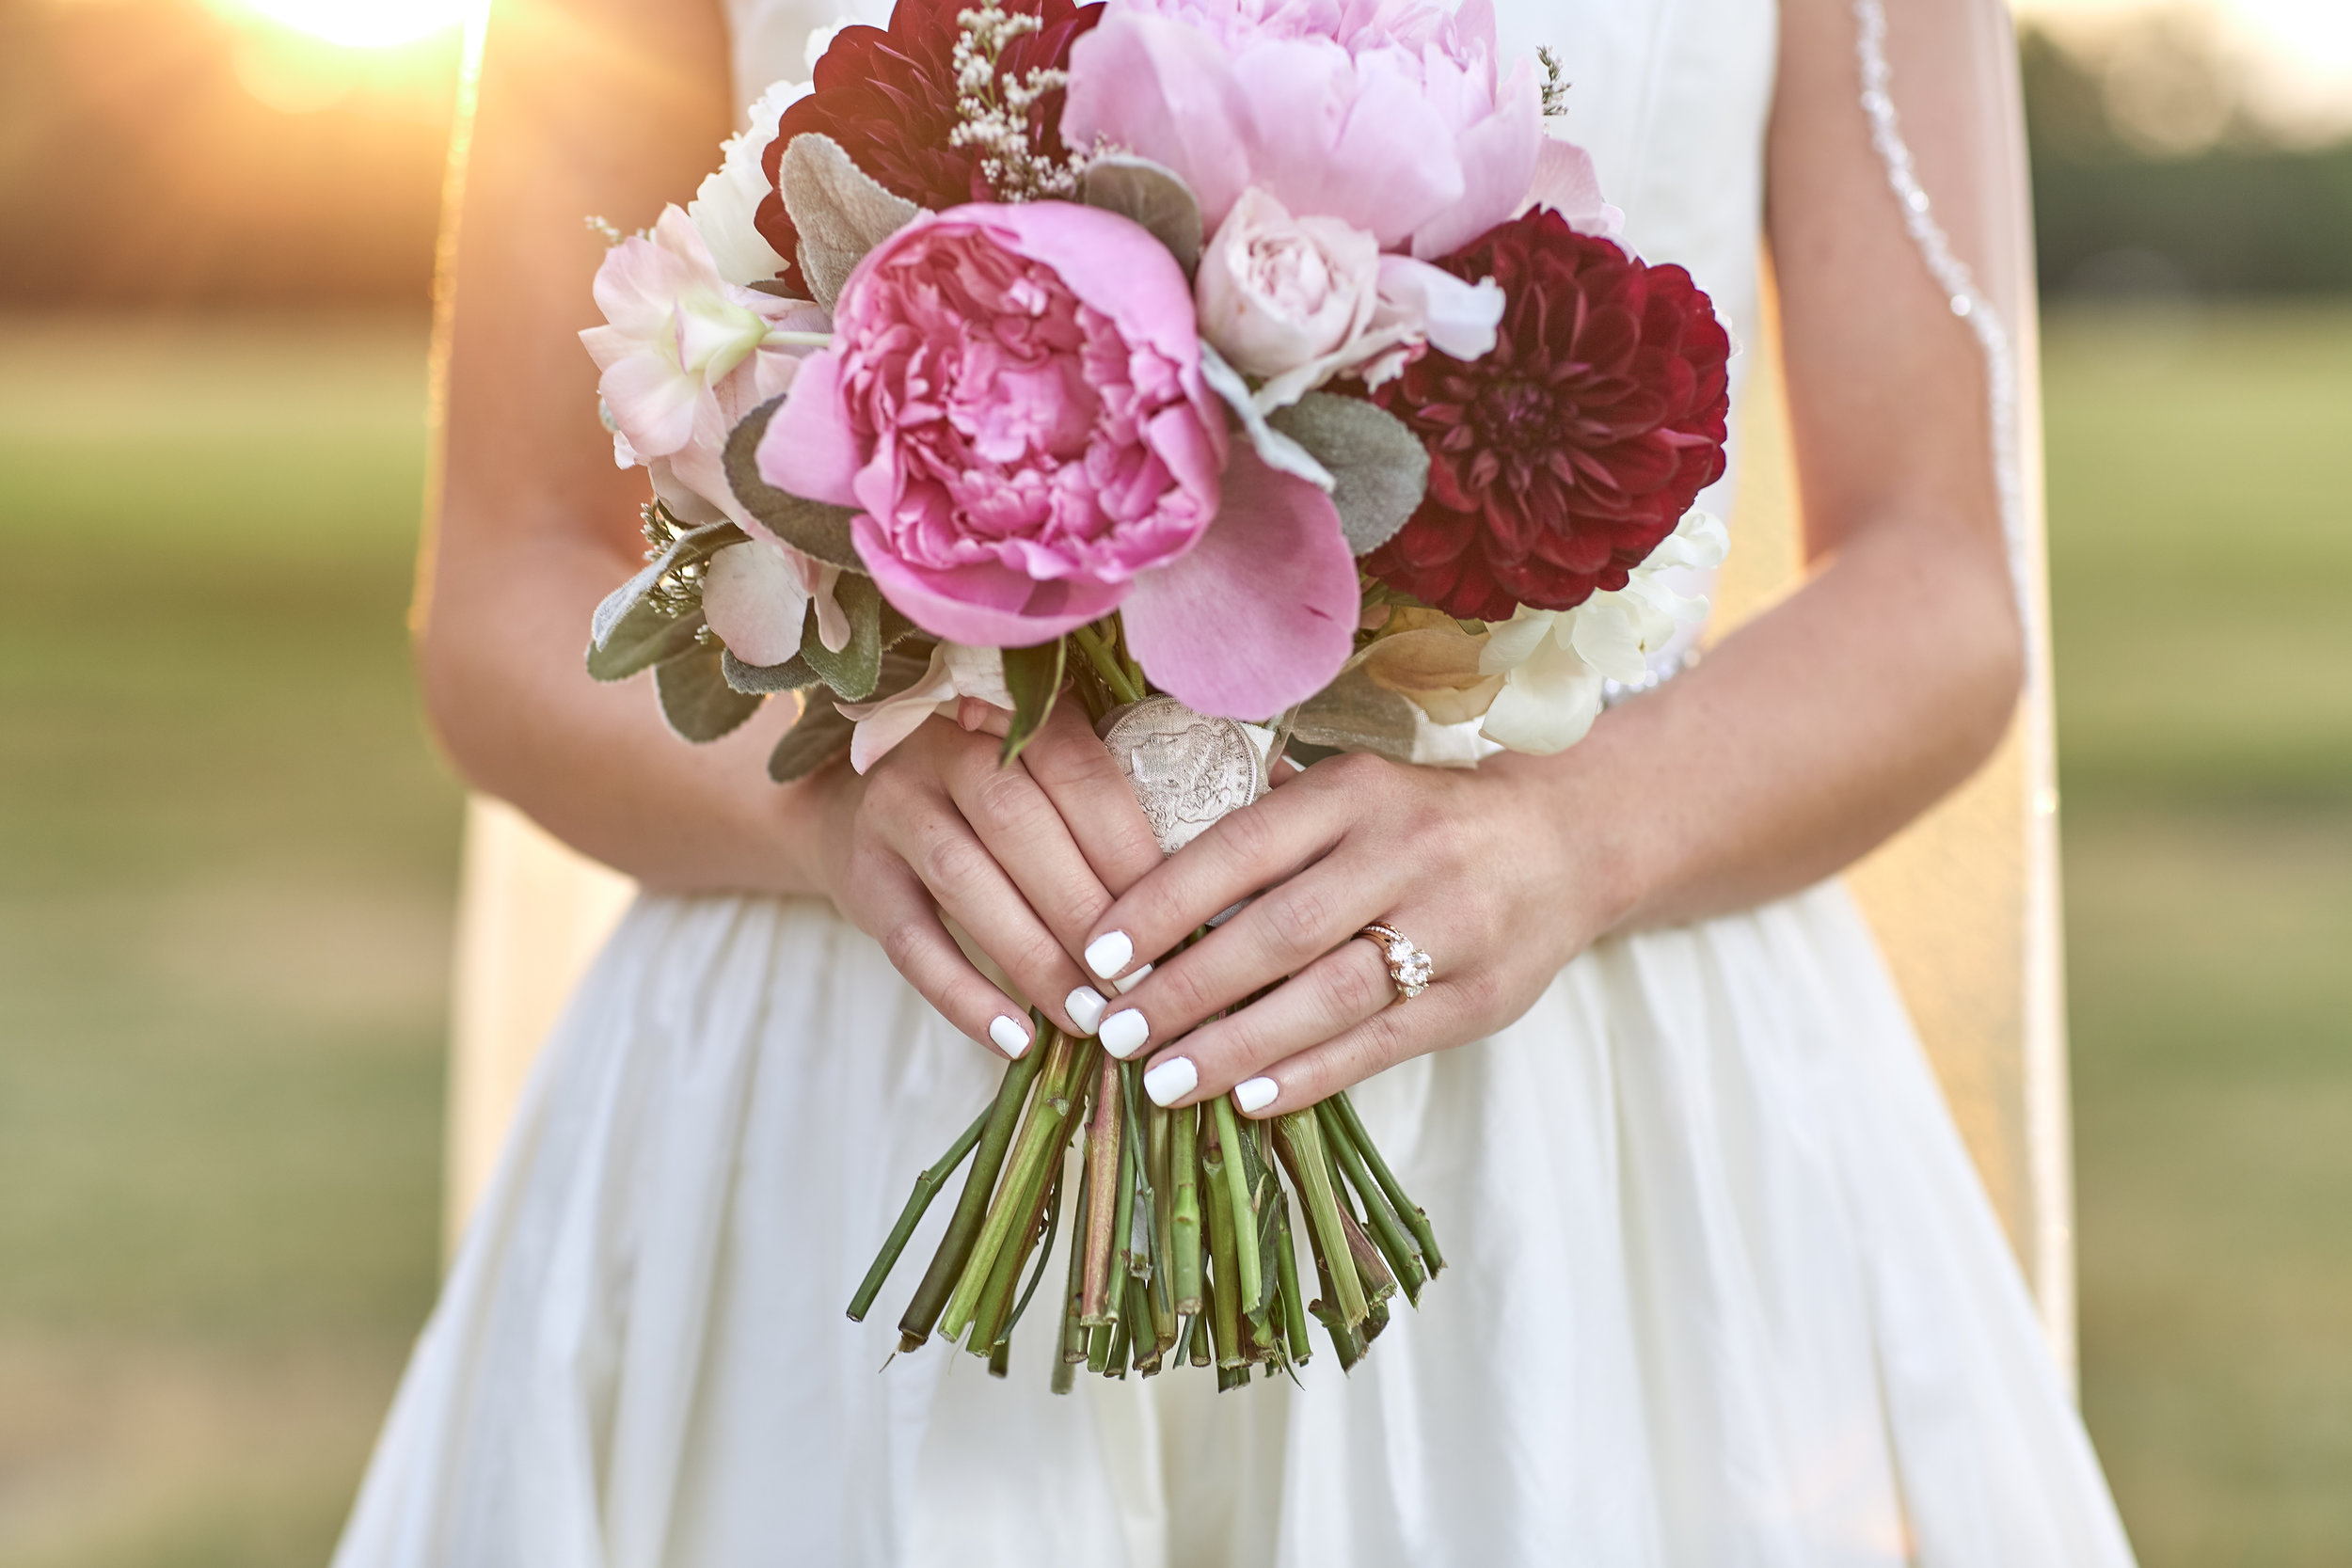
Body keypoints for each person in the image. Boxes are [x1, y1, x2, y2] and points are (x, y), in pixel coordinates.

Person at [338, 0, 2139, 1561]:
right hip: (864, 1084)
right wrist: (826, 801)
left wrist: (1582, 835)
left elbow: (1941, 587)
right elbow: (502, 589)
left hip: (1561, 1126)